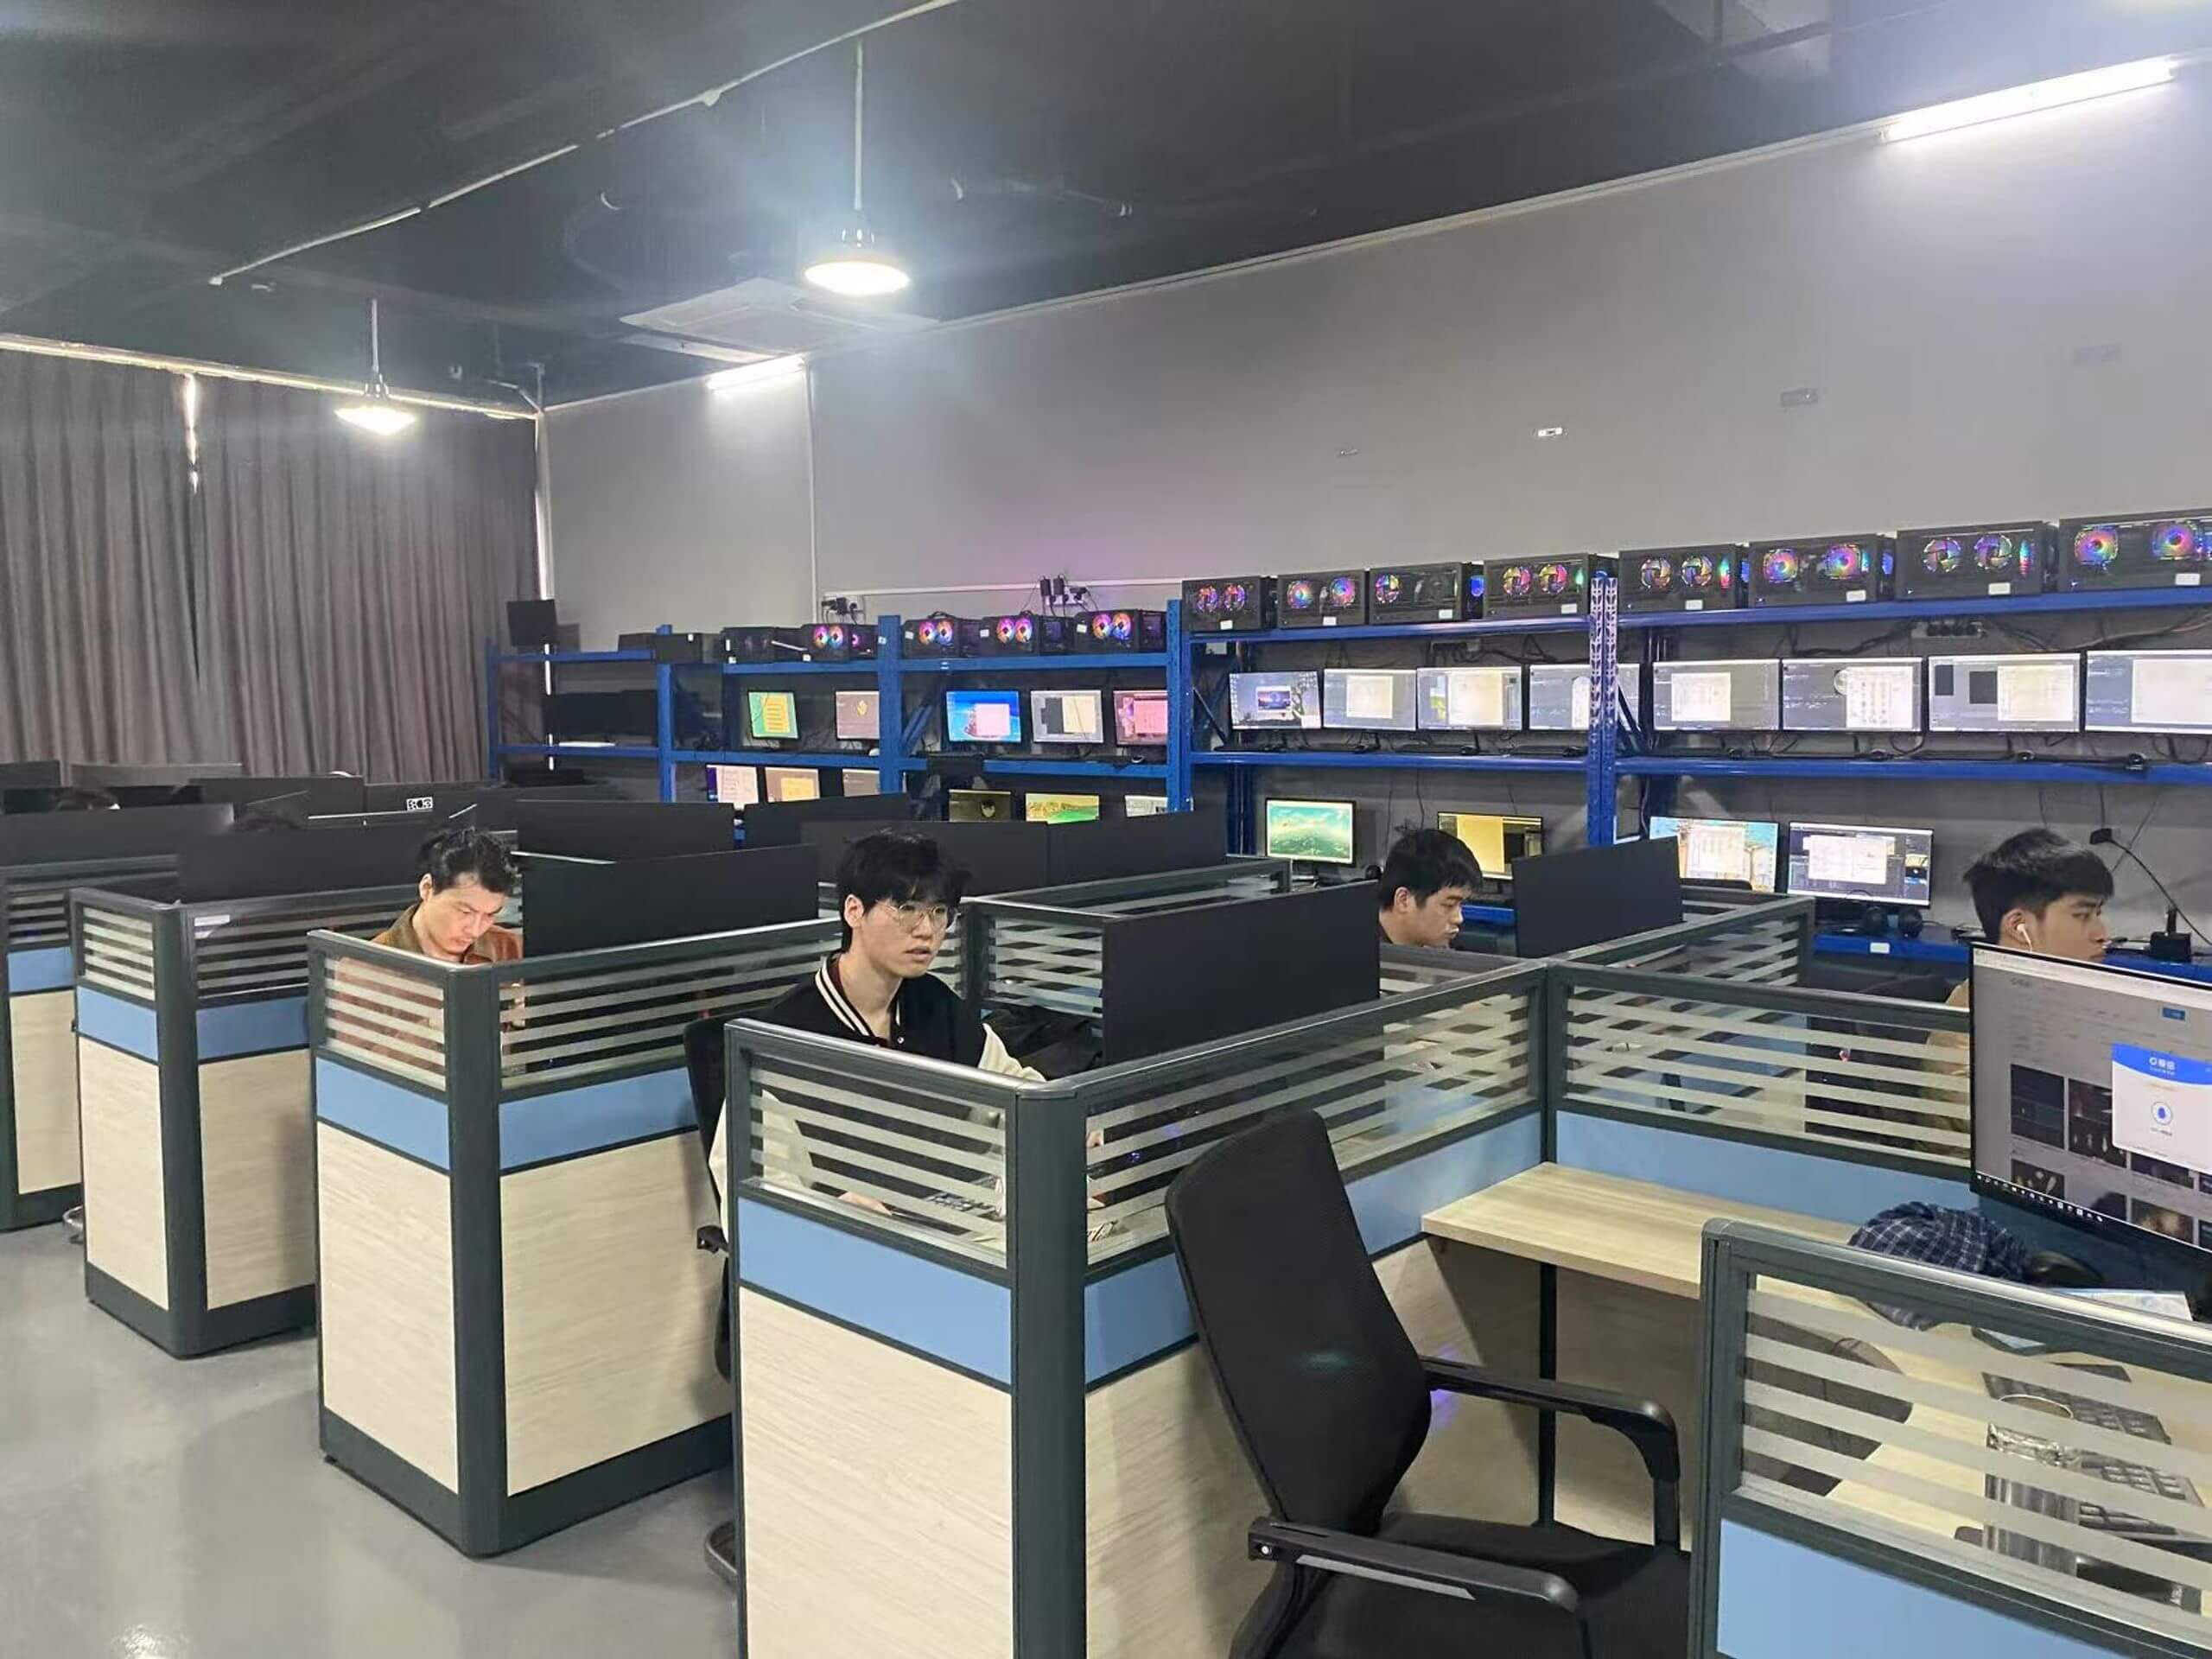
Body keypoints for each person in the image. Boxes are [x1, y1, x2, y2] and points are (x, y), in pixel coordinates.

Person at [711, 829, 1040, 1191]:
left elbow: (1018, 1091)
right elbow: (751, 1185)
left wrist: (1062, 1124)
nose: (927, 930)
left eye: (938, 912)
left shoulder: (936, 1005)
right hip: (842, 1226)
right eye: (906, 909)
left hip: (946, 1214)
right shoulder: (784, 1037)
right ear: (854, 911)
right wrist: (828, 1210)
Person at [1929, 829, 2112, 1067]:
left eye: (2098, 914)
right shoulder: (1974, 1033)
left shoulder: (2055, 1001)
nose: (2102, 935)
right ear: (2018, 927)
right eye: (2082, 916)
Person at [372, 827, 522, 964]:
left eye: (489, 915)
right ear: (427, 888)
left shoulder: (513, 950)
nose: (475, 931)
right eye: (465, 912)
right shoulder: (370, 967)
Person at [1375, 827, 1483, 950]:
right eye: (1449, 905)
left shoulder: (1437, 948)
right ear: (1404, 900)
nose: (1458, 919)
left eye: (1460, 905)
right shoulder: (1361, 955)